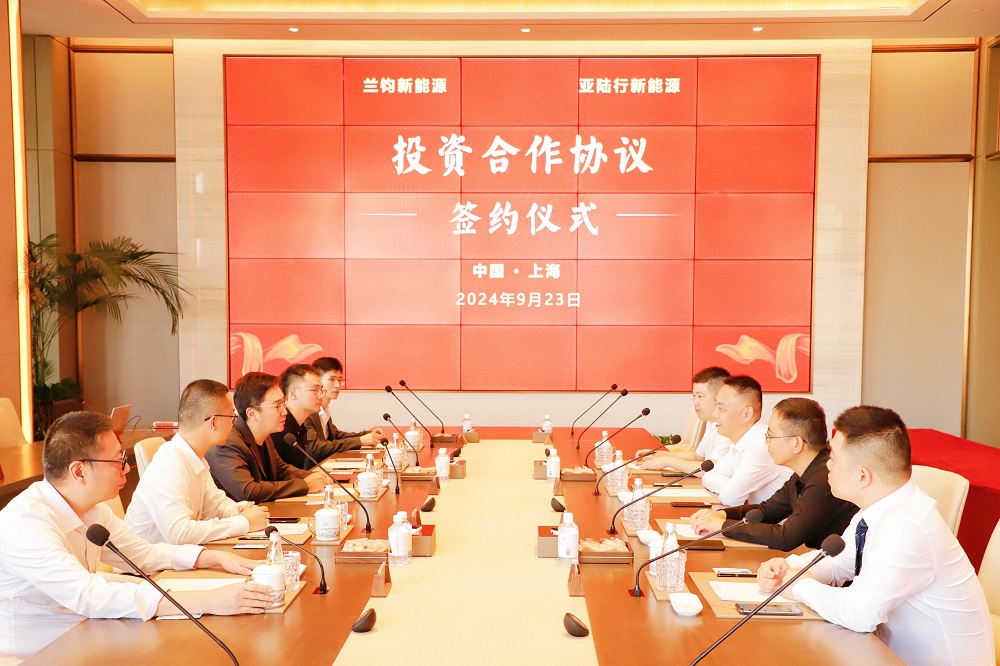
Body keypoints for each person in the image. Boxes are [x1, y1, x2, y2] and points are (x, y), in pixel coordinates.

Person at [0, 411, 273, 661]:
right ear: (79, 471)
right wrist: (208, 600)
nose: (127, 468)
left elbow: (143, 554)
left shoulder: (93, 511)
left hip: (89, 635)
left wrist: (213, 557)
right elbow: (87, 595)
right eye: (117, 461)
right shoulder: (26, 522)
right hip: (40, 654)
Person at [756, 406, 993, 665]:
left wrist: (797, 585)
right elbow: (838, 563)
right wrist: (788, 568)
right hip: (885, 654)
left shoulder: (907, 527)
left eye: (832, 458)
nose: (827, 466)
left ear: (862, 476)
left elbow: (859, 613)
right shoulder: (875, 510)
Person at [689, 398, 857, 550]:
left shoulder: (824, 479)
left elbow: (786, 537)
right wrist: (722, 514)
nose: (766, 442)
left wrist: (722, 526)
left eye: (770, 436)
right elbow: (767, 511)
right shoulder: (804, 472)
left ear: (796, 443)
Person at [125, 379, 270, 545]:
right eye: (232, 416)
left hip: (174, 557)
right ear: (213, 422)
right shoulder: (170, 465)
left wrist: (241, 510)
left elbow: (214, 505)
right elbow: (180, 534)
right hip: (145, 562)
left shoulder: (194, 456)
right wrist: (243, 522)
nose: (234, 423)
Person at [206, 372, 326, 502]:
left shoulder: (264, 436)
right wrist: (304, 485)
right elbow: (248, 491)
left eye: (283, 403)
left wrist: (316, 476)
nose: (285, 411)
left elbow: (281, 470)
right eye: (277, 406)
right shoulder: (228, 443)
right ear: (252, 413)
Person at [700, 375, 791, 506]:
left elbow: (731, 499)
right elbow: (708, 476)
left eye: (721, 408)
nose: (715, 414)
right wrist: (732, 487)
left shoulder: (762, 445)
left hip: (776, 519)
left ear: (746, 414)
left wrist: (733, 489)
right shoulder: (741, 442)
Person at [640, 366, 733, 472]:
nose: (695, 402)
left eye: (700, 396)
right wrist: (659, 455)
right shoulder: (711, 423)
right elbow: (697, 457)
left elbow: (712, 470)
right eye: (694, 396)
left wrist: (668, 461)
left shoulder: (730, 427)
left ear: (719, 397)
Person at [307, 357, 384, 452]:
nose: (337, 385)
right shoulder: (309, 411)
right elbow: (314, 448)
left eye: (339, 380)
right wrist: (359, 441)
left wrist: (367, 435)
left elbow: (336, 435)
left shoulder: (325, 410)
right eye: (332, 379)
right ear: (317, 380)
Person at [271, 364, 338, 469]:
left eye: (321, 390)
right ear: (293, 393)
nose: (321, 395)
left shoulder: (301, 428)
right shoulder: (278, 428)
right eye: (314, 390)